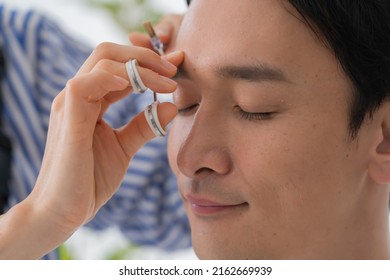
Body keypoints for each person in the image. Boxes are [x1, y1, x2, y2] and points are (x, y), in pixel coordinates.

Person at [0, 4, 190, 259]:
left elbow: (186, 200)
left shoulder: (21, 46)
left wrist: (194, 78)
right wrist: (39, 221)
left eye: (254, 108)